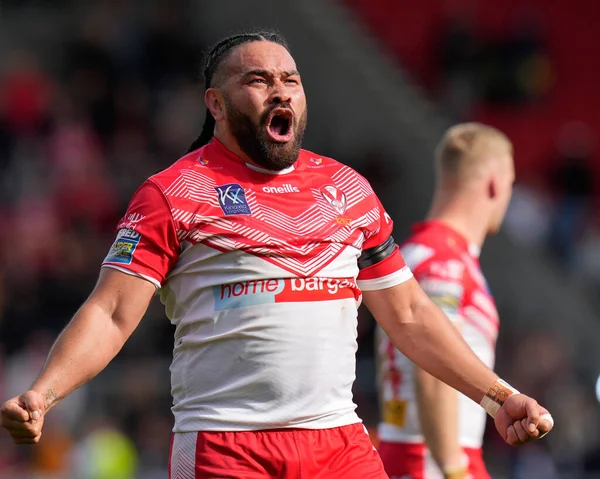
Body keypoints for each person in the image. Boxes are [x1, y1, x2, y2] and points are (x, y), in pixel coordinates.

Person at [1, 32, 552, 479]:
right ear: (215, 103)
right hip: (226, 446)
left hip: (338, 442)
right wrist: (44, 394)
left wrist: (498, 396)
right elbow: (112, 312)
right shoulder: (173, 193)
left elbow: (409, 315)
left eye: (290, 80)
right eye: (258, 80)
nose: (280, 91)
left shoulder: (348, 189)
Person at [376, 123, 520, 479]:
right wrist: (453, 470)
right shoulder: (446, 262)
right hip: (436, 459)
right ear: (495, 183)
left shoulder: (413, 252)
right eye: (512, 185)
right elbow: (431, 368)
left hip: (409, 449)